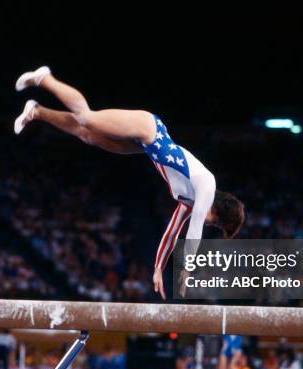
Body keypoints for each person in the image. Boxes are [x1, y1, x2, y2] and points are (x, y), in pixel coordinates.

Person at [14, 66, 245, 299]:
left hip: (146, 147)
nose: (208, 224)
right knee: (87, 117)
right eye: (215, 224)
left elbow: (173, 232)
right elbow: (194, 232)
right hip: (149, 130)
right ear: (218, 209)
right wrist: (186, 272)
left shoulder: (189, 201)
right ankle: (45, 78)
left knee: (87, 135)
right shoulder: (207, 185)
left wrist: (158, 268)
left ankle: (37, 111)